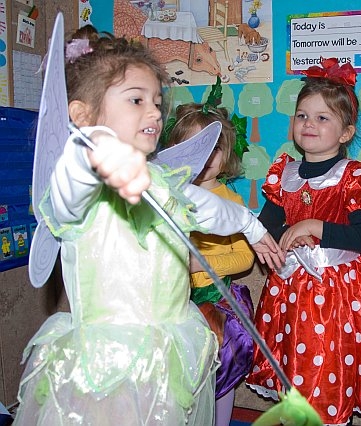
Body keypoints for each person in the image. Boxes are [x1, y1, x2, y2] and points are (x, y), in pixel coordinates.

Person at [14, 26, 283, 425]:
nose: (155, 112)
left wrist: (251, 227)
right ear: (82, 115)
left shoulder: (160, 179)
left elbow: (207, 207)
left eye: (157, 101)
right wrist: (96, 155)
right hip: (106, 369)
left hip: (166, 355)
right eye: (137, 100)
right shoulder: (81, 183)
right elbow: (69, 190)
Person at [244, 58, 361, 425]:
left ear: (346, 133)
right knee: (295, 376)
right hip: (289, 294)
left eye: (322, 118)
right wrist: (279, 238)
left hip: (335, 299)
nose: (309, 124)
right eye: (302, 115)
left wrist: (315, 225)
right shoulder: (284, 174)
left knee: (328, 377)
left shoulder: (353, 176)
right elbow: (264, 228)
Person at [166, 100, 255, 426]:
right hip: (175, 303)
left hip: (216, 303)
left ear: (226, 153)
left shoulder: (231, 201)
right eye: (194, 145)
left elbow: (245, 257)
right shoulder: (167, 195)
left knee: (222, 369)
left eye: (214, 147)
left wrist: (200, 264)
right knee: (178, 377)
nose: (205, 156)